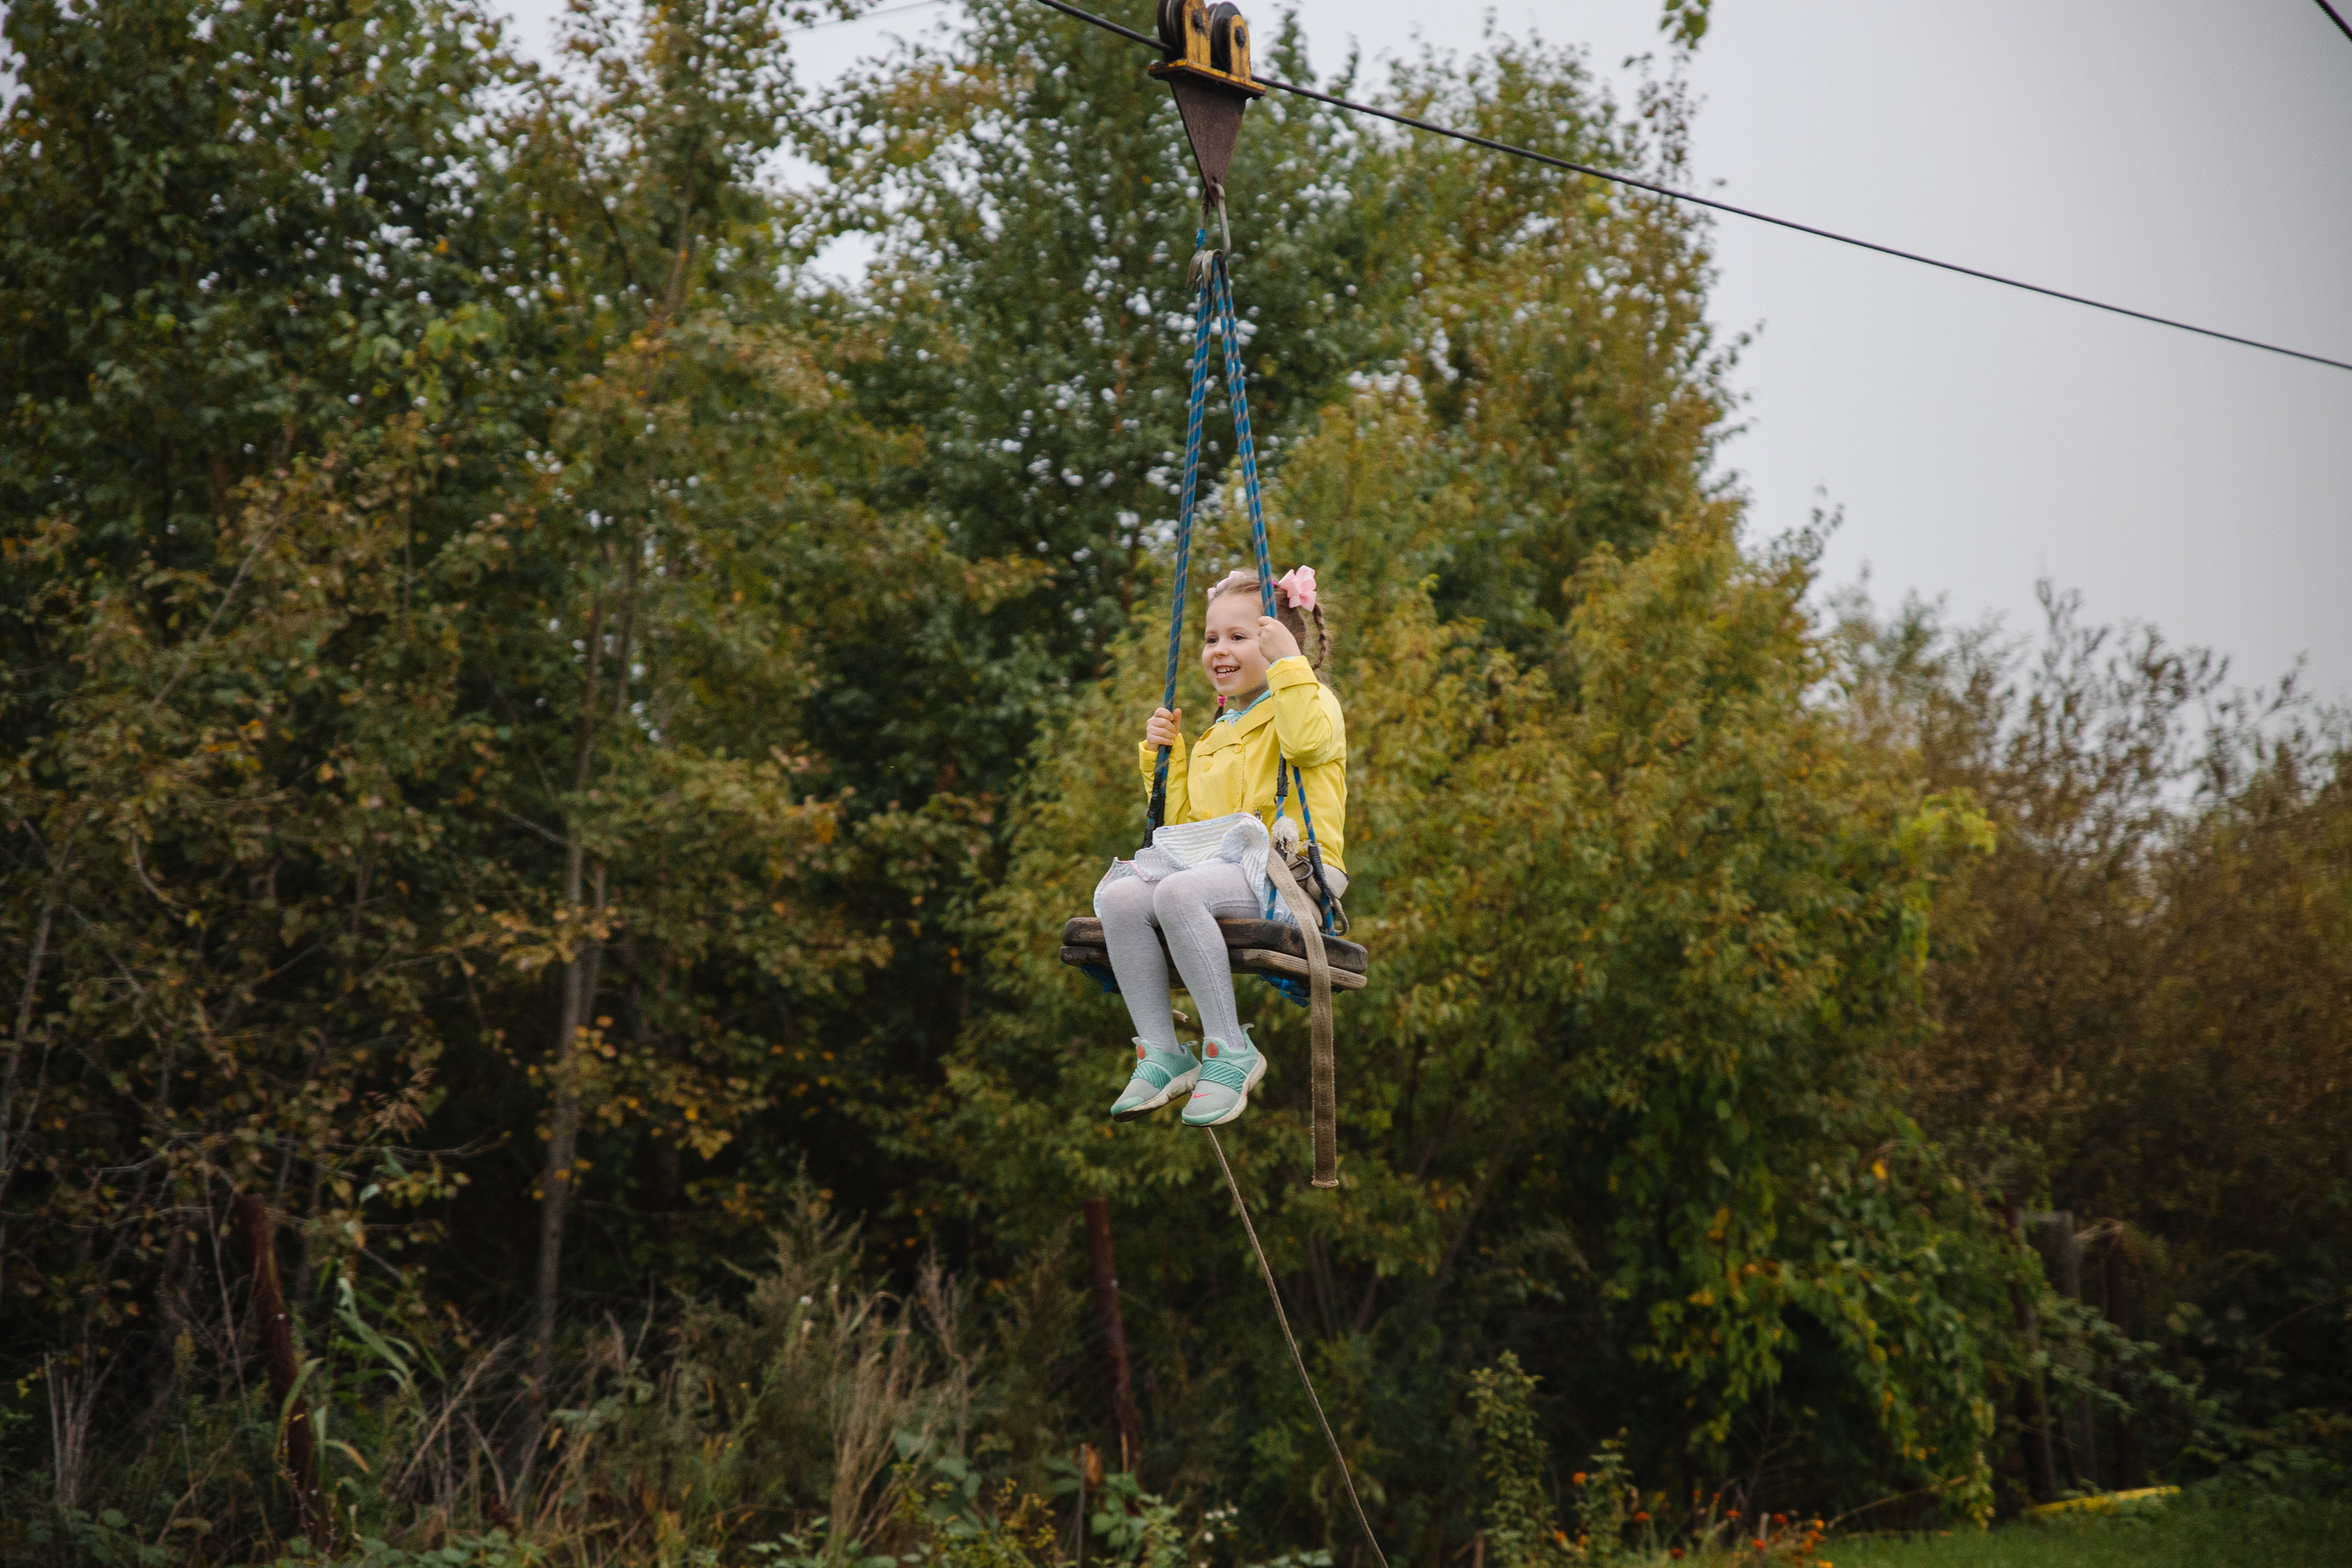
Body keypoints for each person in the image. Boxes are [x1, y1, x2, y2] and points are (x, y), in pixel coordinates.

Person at [1093, 565, 1347, 1127]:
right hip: (1226, 870)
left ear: (1278, 643)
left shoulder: (1310, 703)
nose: (1219, 650)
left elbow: (1305, 742)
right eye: (1212, 639)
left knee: (1180, 894)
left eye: (1239, 637)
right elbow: (1187, 832)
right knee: (1121, 900)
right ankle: (1162, 1051)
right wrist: (1168, 762)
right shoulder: (1216, 733)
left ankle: (1230, 1049)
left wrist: (1290, 667)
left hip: (1294, 872)